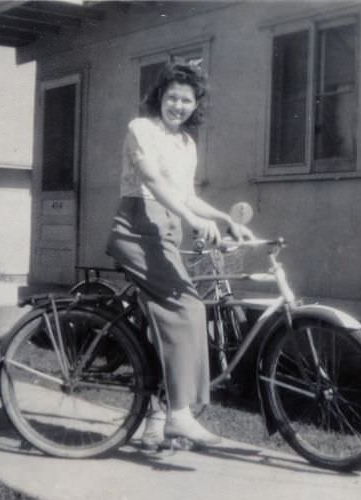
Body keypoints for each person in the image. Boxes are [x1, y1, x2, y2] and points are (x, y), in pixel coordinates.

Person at [106, 60, 252, 449]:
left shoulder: (186, 144)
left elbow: (186, 196)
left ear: (195, 104)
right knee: (189, 308)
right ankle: (180, 416)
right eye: (172, 97)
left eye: (186, 100)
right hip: (138, 228)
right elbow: (151, 180)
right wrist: (188, 216)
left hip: (164, 233)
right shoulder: (141, 129)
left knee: (174, 317)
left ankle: (162, 414)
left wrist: (223, 219)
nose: (178, 106)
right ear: (160, 97)